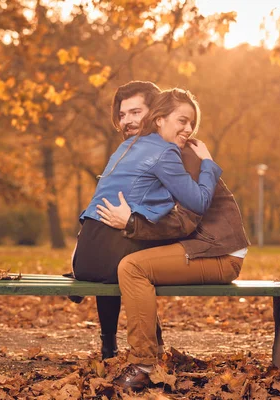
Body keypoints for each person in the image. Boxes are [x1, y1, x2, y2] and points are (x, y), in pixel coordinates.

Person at [97, 116, 250, 392]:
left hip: (219, 252)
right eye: (123, 115)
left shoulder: (185, 157)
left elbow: (186, 221)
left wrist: (131, 223)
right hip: (204, 246)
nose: (130, 122)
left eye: (190, 122)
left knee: (132, 267)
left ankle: (143, 366)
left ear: (156, 118)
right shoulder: (157, 153)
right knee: (133, 264)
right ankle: (150, 356)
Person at [72, 84, 222, 359]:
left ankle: (132, 346)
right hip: (108, 253)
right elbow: (198, 203)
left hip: (88, 253)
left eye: (135, 112)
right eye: (123, 114)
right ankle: (152, 350)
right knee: (152, 256)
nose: (127, 120)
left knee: (140, 242)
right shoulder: (165, 152)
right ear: (160, 117)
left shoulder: (127, 147)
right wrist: (209, 164)